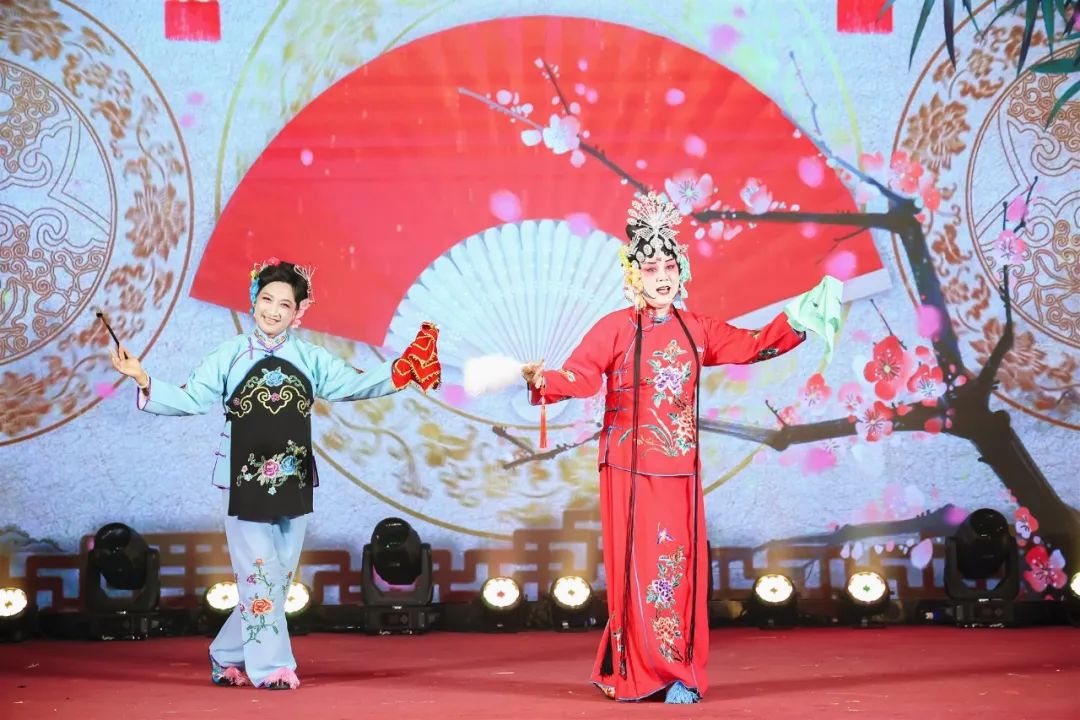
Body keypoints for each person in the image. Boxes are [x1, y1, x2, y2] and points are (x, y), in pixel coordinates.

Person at [521, 193, 841, 703]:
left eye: (669, 266)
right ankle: (639, 669)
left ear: (681, 271)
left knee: (677, 569)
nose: (662, 277)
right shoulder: (615, 328)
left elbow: (752, 345)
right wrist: (544, 381)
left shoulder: (696, 330)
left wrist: (801, 316)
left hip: (680, 469)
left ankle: (675, 670)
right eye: (651, 269)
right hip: (627, 468)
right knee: (637, 569)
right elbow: (581, 378)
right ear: (634, 276)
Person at [110, 258, 440, 689]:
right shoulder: (229, 354)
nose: (273, 310)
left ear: (298, 312)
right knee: (261, 573)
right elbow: (191, 398)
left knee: (275, 581)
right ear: (254, 302)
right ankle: (272, 669)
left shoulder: (309, 357)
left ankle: (225, 654)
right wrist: (143, 378)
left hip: (294, 477)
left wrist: (404, 367)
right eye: (266, 299)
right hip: (243, 481)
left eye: (285, 304)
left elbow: (352, 384)